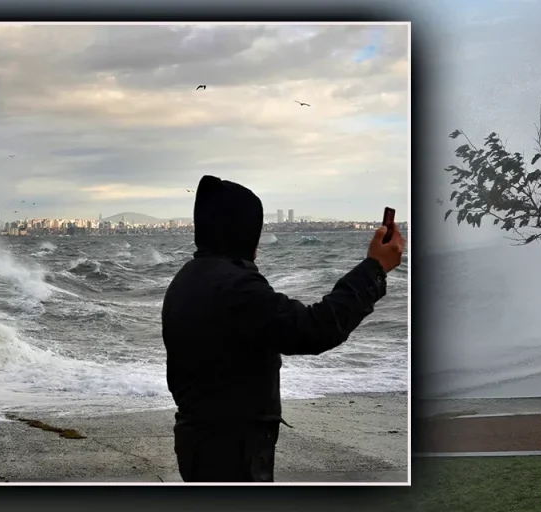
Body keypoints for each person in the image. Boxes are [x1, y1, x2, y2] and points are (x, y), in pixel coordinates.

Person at [161, 175, 405, 482]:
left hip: (199, 438)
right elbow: (315, 328)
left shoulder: (188, 279)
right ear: (244, 231)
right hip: (230, 448)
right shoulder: (235, 288)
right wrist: (374, 268)